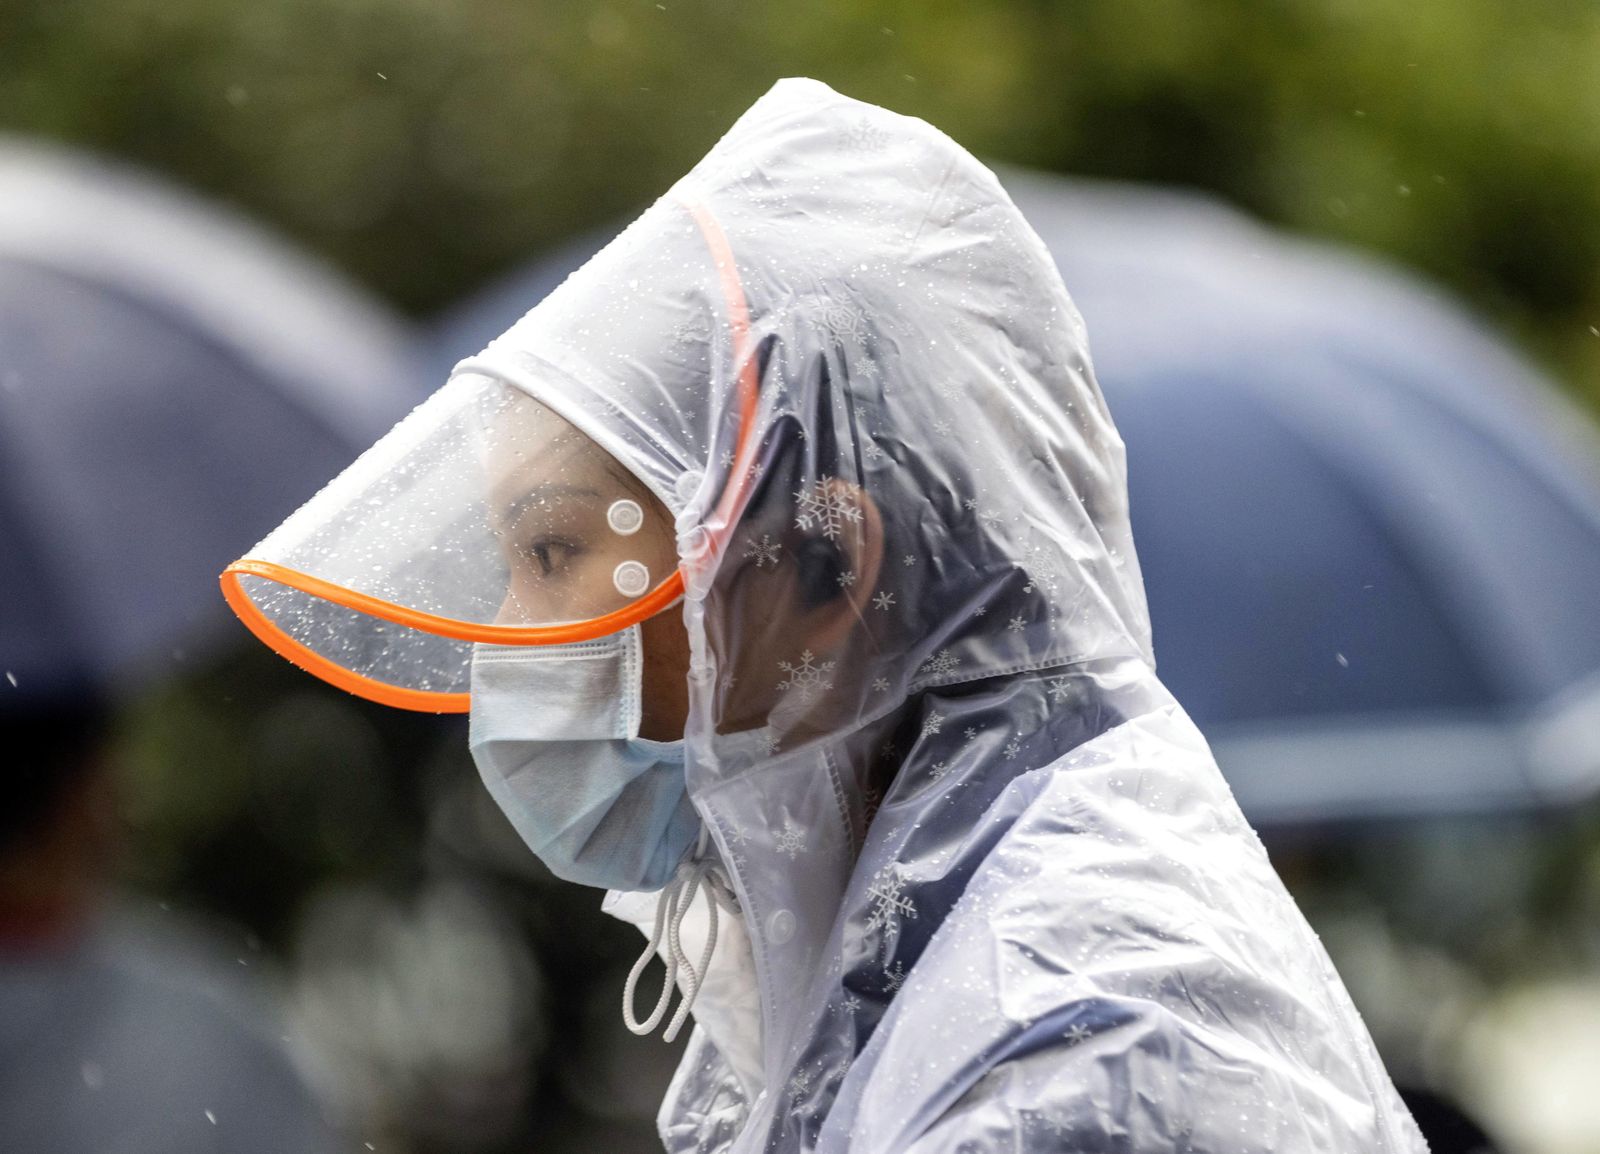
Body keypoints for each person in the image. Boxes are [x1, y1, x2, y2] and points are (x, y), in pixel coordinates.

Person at [221, 77, 1427, 1152]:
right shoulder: (926, 959)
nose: (503, 629)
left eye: (552, 547)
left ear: (820, 566)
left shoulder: (1073, 1040)